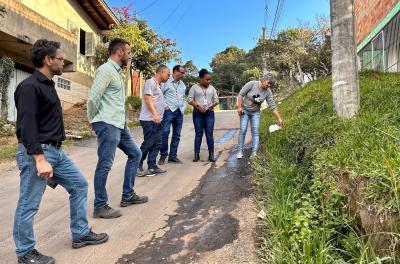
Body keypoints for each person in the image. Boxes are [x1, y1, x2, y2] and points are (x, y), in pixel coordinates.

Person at [13, 39, 108, 264]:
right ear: (48, 60)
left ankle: (81, 233)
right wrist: (39, 158)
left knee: (79, 185)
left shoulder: (48, 85)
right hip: (37, 153)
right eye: (60, 58)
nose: (63, 62)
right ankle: (25, 252)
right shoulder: (29, 86)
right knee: (29, 203)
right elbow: (27, 126)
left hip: (56, 153)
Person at [87, 38, 148, 219]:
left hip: (118, 124)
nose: (130, 56)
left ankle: (128, 195)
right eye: (128, 52)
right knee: (105, 164)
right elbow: (93, 98)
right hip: (107, 123)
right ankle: (100, 205)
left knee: (136, 154)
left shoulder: (117, 72)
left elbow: (112, 101)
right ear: (120, 52)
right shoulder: (105, 70)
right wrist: (93, 119)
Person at [236, 73, 285, 159]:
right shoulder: (252, 84)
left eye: (271, 84)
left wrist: (279, 119)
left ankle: (254, 152)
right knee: (243, 130)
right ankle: (240, 151)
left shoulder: (268, 92)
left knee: (255, 132)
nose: (269, 85)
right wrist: (239, 107)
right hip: (245, 111)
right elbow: (241, 94)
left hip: (255, 113)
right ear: (263, 80)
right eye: (268, 83)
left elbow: (272, 106)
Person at [137, 65, 171, 176]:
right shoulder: (150, 82)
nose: (169, 76)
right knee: (148, 143)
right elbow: (148, 98)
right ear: (162, 72)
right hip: (149, 119)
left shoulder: (158, 85)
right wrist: (155, 114)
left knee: (157, 143)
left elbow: (158, 101)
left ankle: (152, 166)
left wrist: (167, 107)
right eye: (168, 74)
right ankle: (137, 166)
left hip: (157, 120)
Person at [188, 69, 219, 162]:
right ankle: (196, 155)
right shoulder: (194, 87)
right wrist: (198, 106)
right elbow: (189, 100)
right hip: (198, 113)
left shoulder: (212, 88)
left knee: (209, 134)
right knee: (198, 134)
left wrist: (211, 105)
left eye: (210, 79)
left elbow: (216, 100)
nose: (209, 81)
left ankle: (211, 155)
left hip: (209, 113)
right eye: (207, 79)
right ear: (201, 78)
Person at [158, 65, 187, 165]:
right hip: (168, 111)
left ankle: (173, 156)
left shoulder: (183, 85)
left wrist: (183, 108)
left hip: (179, 112)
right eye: (181, 72)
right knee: (165, 133)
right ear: (175, 71)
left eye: (184, 73)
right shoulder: (166, 82)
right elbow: (160, 95)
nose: (183, 74)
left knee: (177, 135)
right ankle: (163, 155)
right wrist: (166, 106)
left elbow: (184, 98)